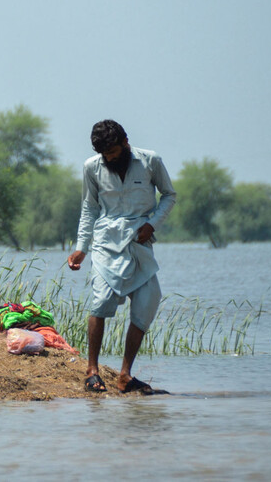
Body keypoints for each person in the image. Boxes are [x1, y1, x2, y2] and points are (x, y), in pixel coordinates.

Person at [67, 120, 176, 393]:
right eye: (105, 155)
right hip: (106, 244)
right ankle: (92, 371)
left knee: (147, 302)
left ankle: (125, 376)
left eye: (114, 152)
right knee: (101, 301)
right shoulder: (92, 167)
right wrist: (81, 247)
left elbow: (169, 195)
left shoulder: (150, 161)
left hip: (139, 241)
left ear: (125, 143)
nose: (110, 159)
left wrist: (152, 224)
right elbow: (89, 208)